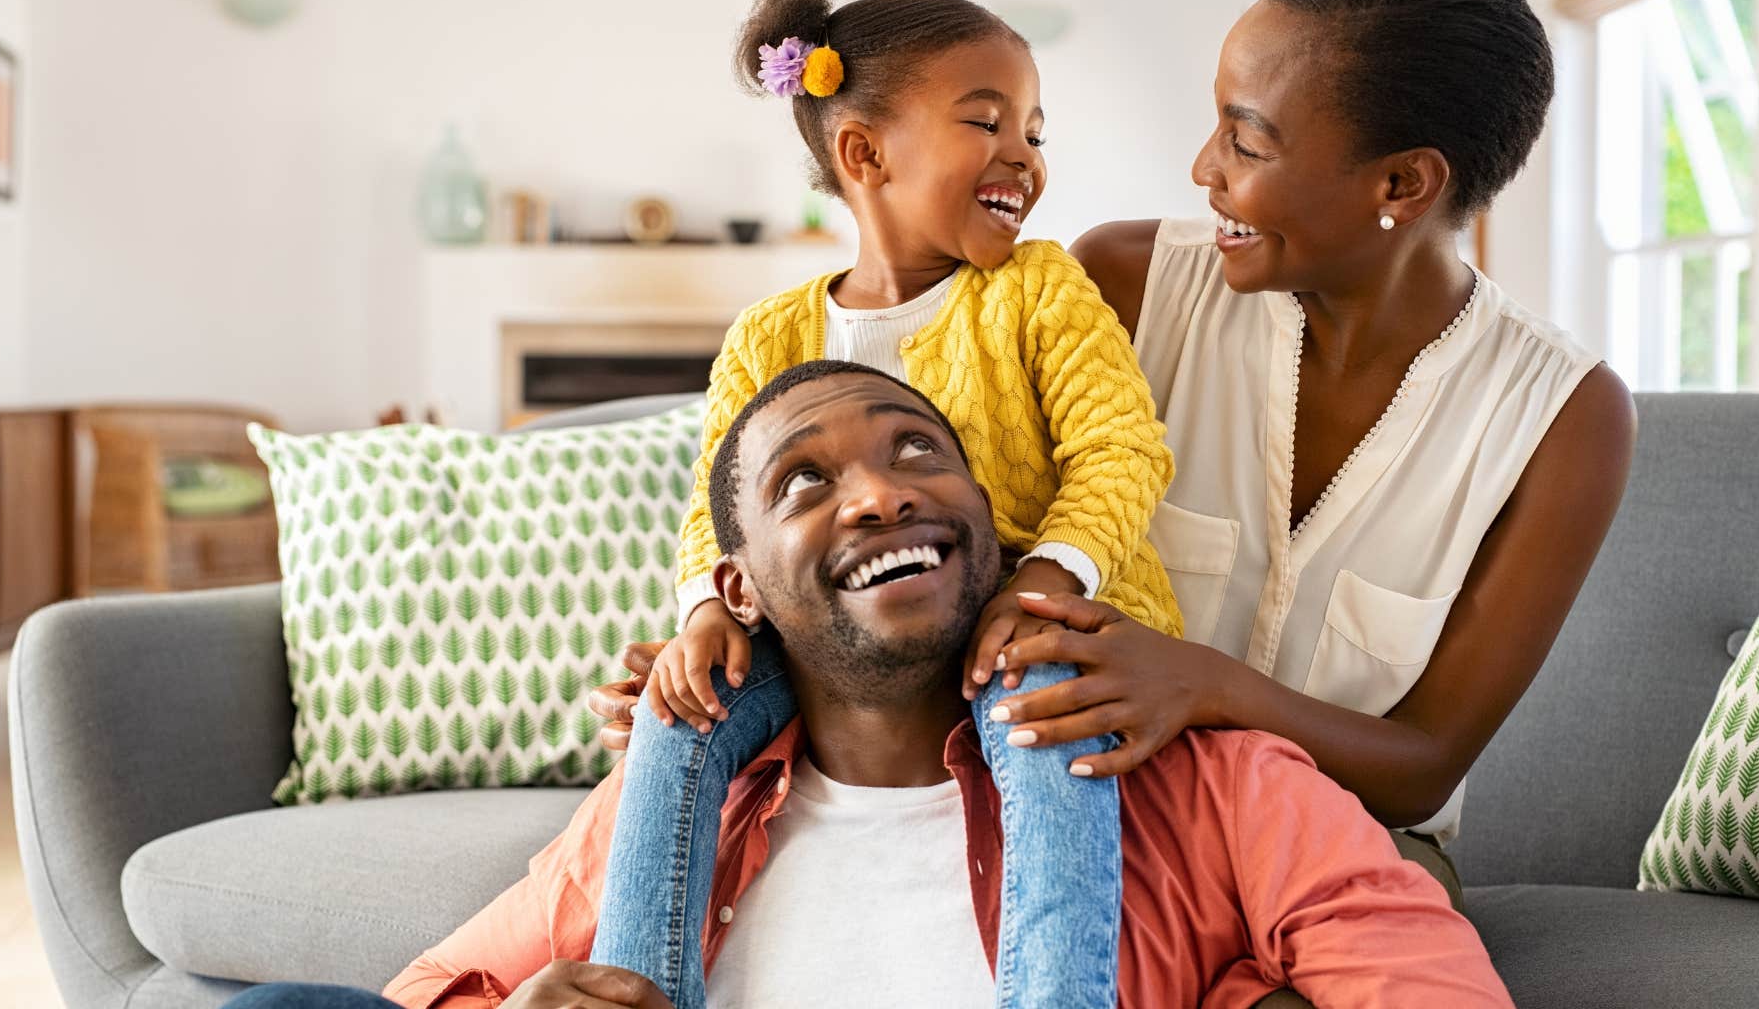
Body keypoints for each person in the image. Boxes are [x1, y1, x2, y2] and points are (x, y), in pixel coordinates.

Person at [598, 0, 1638, 958]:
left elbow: (1422, 765)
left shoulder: (1564, 419)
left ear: (1402, 186)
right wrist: (759, 632)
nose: (1202, 168)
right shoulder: (1126, 282)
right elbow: (906, 521)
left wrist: (1202, 682)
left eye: (1247, 140)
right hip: (1099, 815)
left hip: (1352, 847)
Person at [291, 360, 1497, 1009]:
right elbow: (423, 990)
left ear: (994, 529)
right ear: (738, 588)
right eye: (805, 485)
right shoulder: (671, 810)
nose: (878, 493)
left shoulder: (1220, 786)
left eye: (917, 451)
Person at [598, 0, 1182, 1009]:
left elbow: (1121, 450)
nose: (1025, 156)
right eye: (986, 121)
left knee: (1039, 712)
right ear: (865, 154)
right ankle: (636, 987)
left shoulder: (1040, 288)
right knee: (675, 716)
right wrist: (702, 612)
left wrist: (1042, 581)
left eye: (1035, 131)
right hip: (838, 650)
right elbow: (715, 505)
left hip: (1026, 622)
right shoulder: (767, 336)